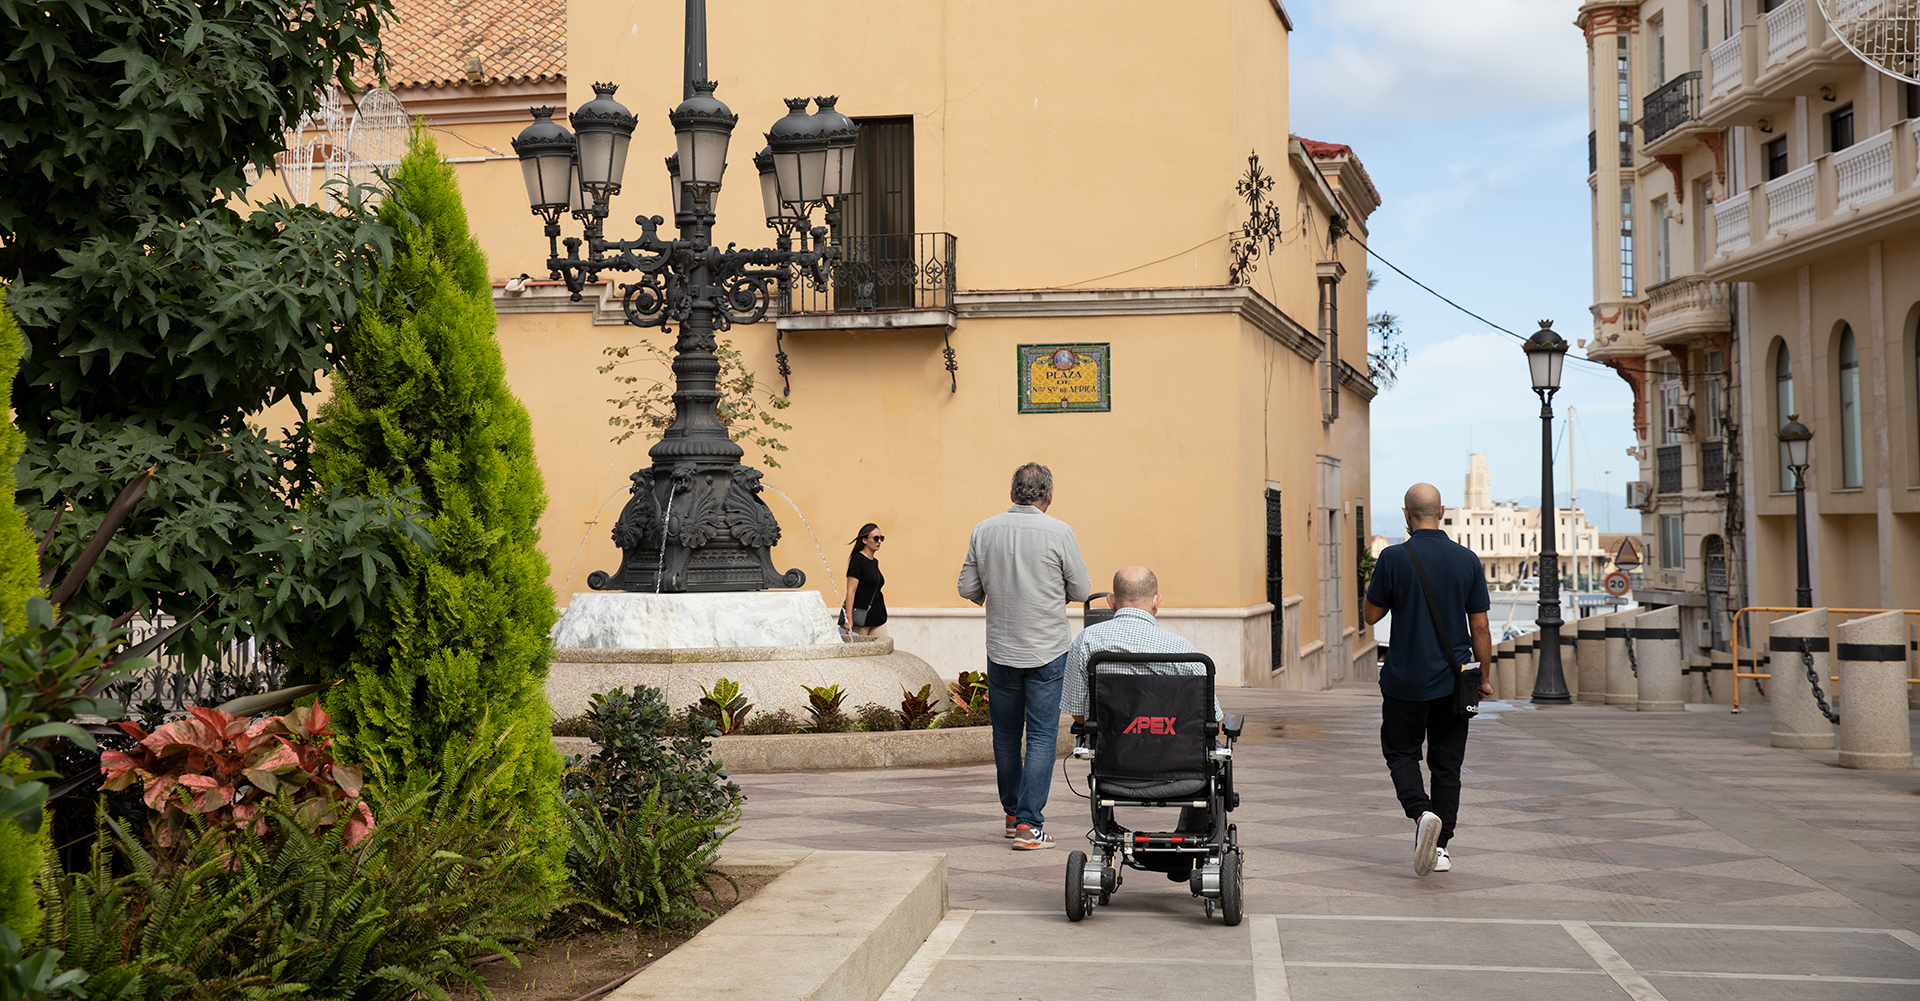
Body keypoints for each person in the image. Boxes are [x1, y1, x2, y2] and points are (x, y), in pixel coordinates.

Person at [1361, 482, 1493, 878]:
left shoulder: (1393, 558)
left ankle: (1421, 815)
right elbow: (1481, 628)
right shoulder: (1467, 560)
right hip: (1454, 683)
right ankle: (1443, 847)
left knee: (1401, 753)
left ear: (1405, 515)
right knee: (1446, 765)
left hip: (1405, 680)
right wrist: (1483, 678)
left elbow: (1370, 616)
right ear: (1443, 512)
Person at [958, 462, 1091, 851]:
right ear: (1049, 496)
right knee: (1042, 737)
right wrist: (1053, 596)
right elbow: (1081, 590)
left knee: (1005, 735)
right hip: (1048, 649)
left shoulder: (984, 530)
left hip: (1001, 648)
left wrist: (994, 596)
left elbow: (967, 586)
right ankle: (1029, 826)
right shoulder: (1059, 531)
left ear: (1012, 493)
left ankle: (1013, 815)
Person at [1063, 566, 1221, 870]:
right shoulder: (1182, 651)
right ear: (1156, 601)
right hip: (1180, 776)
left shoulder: (1087, 643)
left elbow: (1080, 715)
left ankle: (1107, 835)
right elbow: (1212, 719)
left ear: (1111, 601)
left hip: (1114, 772)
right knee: (1216, 764)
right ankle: (1189, 845)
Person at [842, 523, 888, 637]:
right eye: (876, 538)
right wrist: (849, 619)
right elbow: (851, 591)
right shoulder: (858, 560)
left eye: (881, 538)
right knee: (859, 653)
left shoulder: (875, 562)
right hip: (860, 617)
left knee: (884, 650)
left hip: (877, 617)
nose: (879, 541)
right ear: (864, 540)